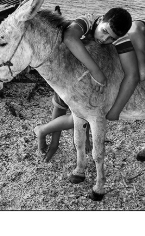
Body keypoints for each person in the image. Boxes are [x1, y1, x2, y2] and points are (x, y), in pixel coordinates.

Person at [34, 8, 139, 161]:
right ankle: (52, 140)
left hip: (89, 81)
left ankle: (78, 136)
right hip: (67, 73)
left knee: (87, 111)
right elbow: (69, 37)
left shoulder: (120, 38)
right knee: (60, 106)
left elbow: (132, 73)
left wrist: (117, 109)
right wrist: (96, 72)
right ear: (101, 19)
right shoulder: (88, 21)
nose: (104, 39)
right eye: (104, 31)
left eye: (111, 38)